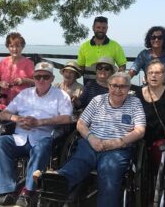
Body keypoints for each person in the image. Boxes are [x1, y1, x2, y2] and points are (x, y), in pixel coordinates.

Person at [43, 72, 146, 207]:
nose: (117, 90)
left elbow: (140, 130)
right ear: (108, 86)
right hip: (91, 143)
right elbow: (81, 123)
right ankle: (56, 183)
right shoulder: (98, 100)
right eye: (114, 85)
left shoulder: (135, 103)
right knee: (78, 163)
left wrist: (118, 142)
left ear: (128, 88)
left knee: (109, 174)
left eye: (122, 86)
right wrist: (91, 138)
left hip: (117, 148)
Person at [0, 62, 73, 207]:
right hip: (20, 137)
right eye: (38, 76)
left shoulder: (61, 96)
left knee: (41, 147)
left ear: (52, 78)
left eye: (45, 77)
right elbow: (3, 114)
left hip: (44, 138)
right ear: (33, 77)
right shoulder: (25, 94)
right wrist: (16, 118)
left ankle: (27, 192)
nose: (41, 80)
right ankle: (7, 191)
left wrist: (39, 122)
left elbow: (67, 118)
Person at [135, 60, 165, 158]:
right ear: (146, 76)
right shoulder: (138, 93)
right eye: (150, 73)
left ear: (164, 76)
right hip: (141, 136)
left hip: (162, 137)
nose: (153, 75)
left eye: (157, 73)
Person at [77, 16, 127, 83]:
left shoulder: (116, 46)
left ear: (107, 29)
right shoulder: (84, 46)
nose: (101, 30)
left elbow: (122, 65)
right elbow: (81, 67)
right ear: (93, 28)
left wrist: (116, 79)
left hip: (108, 85)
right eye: (98, 27)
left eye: (103, 28)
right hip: (88, 85)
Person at [0, 32, 34, 106]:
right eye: (11, 46)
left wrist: (25, 80)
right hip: (4, 102)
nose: (14, 49)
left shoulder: (29, 63)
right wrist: (0, 83)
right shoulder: (3, 62)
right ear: (7, 47)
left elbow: (37, 82)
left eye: (18, 46)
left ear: (22, 47)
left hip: (23, 102)